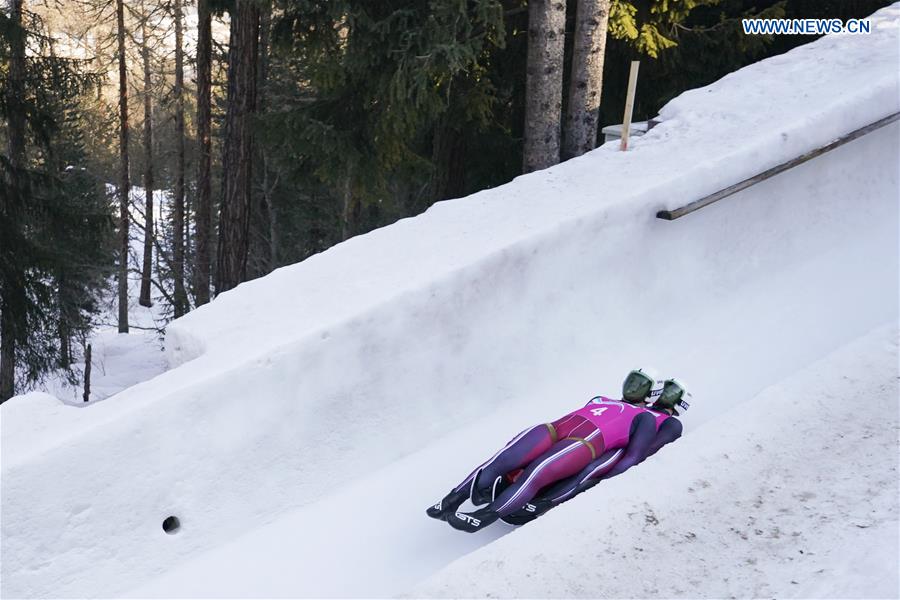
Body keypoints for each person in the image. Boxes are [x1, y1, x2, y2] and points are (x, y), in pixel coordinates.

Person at [426, 370, 690, 532]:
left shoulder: (648, 418)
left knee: (537, 471)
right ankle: (452, 499)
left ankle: (485, 516)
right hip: (556, 428)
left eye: (641, 385)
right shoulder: (602, 398)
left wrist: (606, 479)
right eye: (632, 381)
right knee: (504, 456)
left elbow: (636, 454)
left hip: (588, 443)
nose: (633, 388)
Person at [500, 378, 690, 525]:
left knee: (589, 469)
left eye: (672, 392)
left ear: (681, 402)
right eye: (664, 388)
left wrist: (627, 461)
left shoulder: (671, 423)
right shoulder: (637, 408)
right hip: (605, 437)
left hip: (621, 448)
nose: (665, 394)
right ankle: (513, 481)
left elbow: (653, 445)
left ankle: (545, 501)